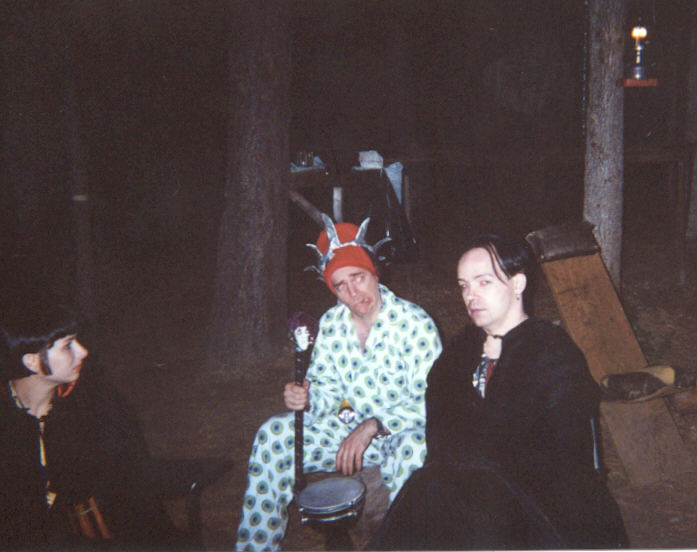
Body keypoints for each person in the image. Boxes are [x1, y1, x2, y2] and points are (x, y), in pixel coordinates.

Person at [370, 233, 628, 550]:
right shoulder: (460, 350)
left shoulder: (551, 350)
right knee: (427, 489)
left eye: (484, 282)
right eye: (464, 285)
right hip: (461, 489)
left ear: (517, 284)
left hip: (541, 500)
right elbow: (441, 432)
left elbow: (562, 452)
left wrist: (502, 372)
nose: (471, 295)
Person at [236, 216, 442, 551]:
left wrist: (372, 425)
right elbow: (326, 390)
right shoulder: (331, 324)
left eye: (358, 277)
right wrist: (307, 397)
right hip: (343, 434)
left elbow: (432, 401)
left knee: (415, 448)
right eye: (340, 285)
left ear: (374, 273)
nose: (353, 292)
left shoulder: (415, 324)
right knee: (273, 435)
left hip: (397, 434)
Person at [0, 304, 180, 549]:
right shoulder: (7, 419)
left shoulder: (94, 403)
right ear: (32, 361)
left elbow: (128, 487)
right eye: (67, 346)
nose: (83, 351)